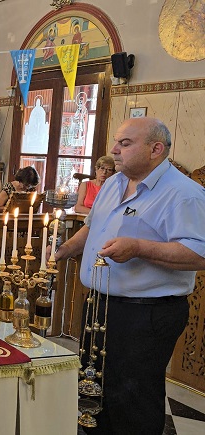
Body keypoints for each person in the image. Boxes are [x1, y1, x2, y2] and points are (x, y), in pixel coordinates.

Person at [53, 117, 205, 435]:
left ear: (155, 149)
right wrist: (64, 250)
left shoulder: (183, 193)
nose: (114, 150)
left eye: (125, 144)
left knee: (133, 398)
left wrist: (139, 248)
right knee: (94, 388)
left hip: (145, 313)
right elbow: (92, 226)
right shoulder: (114, 184)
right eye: (116, 142)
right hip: (101, 304)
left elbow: (199, 254)